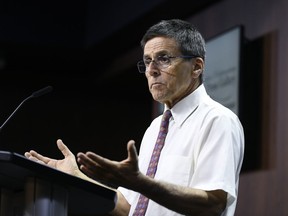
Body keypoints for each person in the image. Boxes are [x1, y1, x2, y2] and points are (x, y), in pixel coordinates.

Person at [25, 19, 244, 216]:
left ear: (196, 67)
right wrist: (76, 177)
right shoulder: (156, 127)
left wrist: (141, 183)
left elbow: (213, 204)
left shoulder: (217, 120)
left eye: (163, 59)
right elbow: (129, 206)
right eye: (147, 62)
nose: (152, 70)